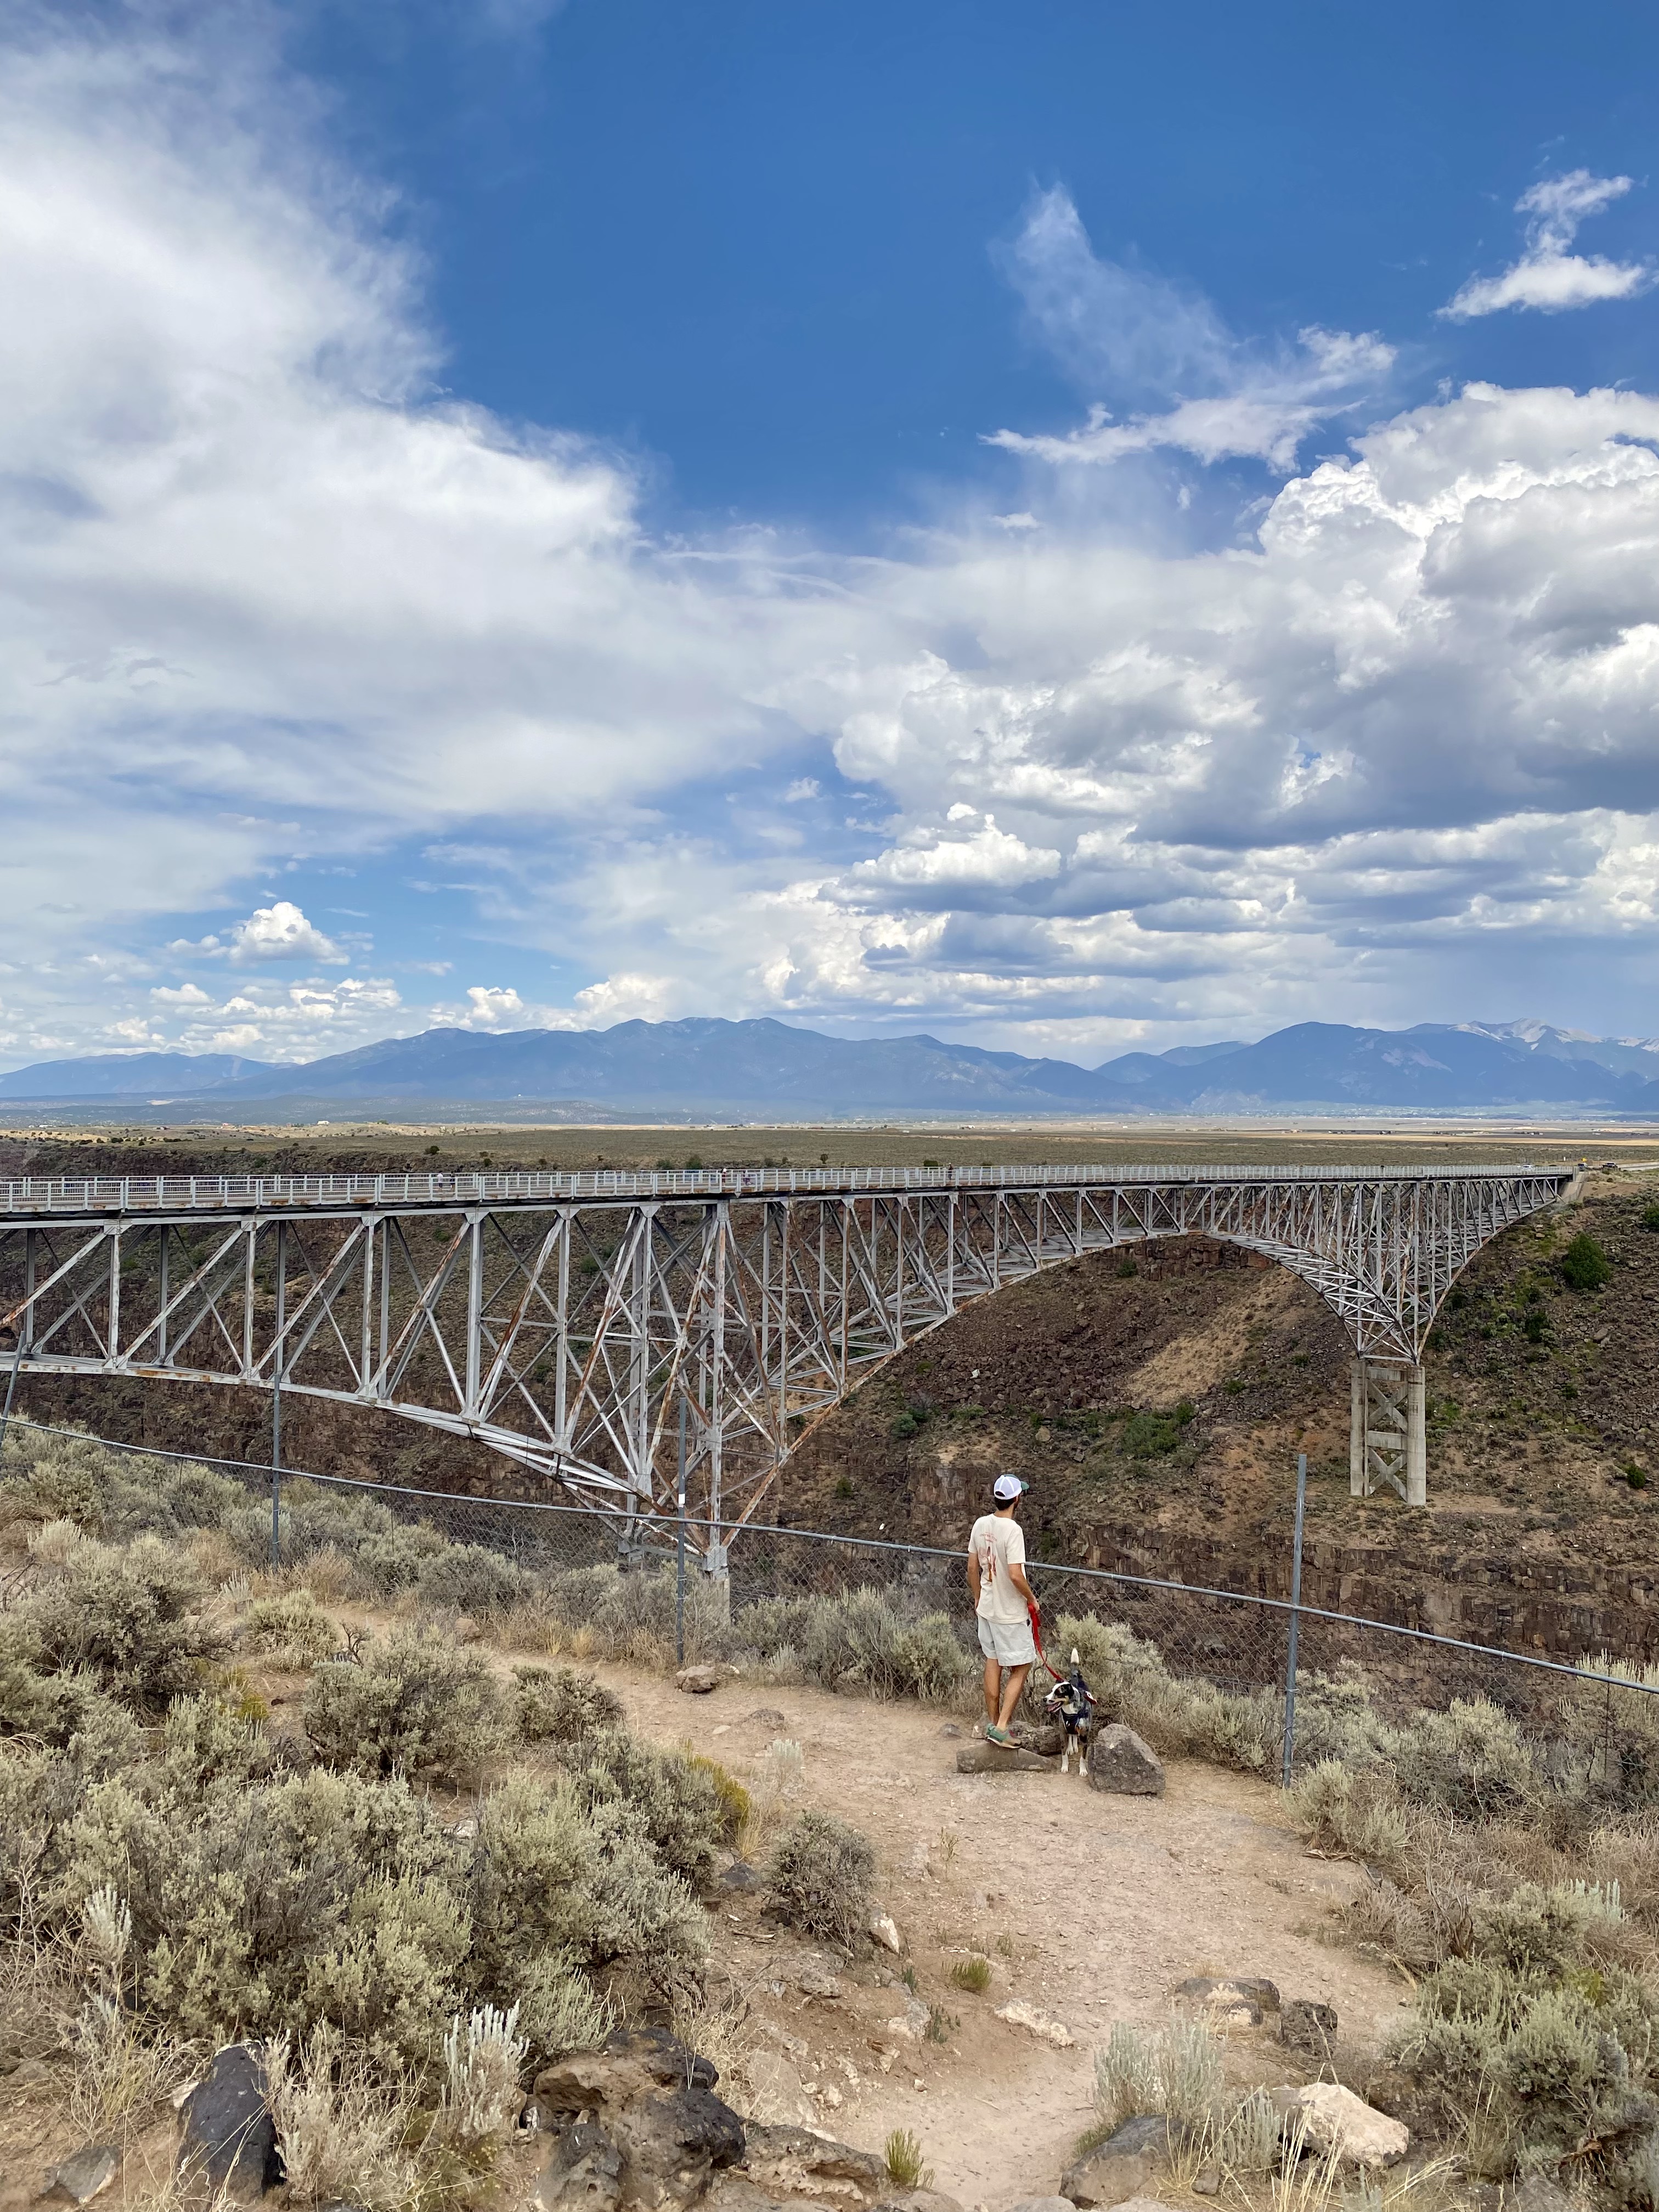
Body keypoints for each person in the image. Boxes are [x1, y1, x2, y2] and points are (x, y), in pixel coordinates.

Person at [967, 1472, 1038, 1746]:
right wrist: (1031, 1599)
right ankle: (1002, 1726)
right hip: (1009, 1612)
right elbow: (1016, 1575)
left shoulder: (981, 1524)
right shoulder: (1013, 1531)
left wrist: (977, 1597)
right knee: (1022, 1666)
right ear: (1016, 1498)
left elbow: (972, 1567)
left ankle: (994, 1723)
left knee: (993, 1660)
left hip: (987, 1608)